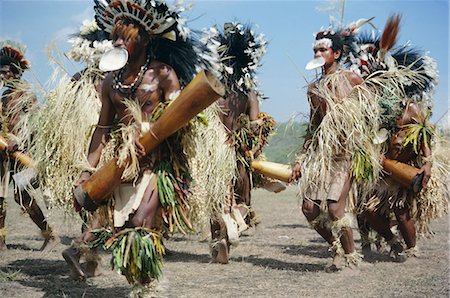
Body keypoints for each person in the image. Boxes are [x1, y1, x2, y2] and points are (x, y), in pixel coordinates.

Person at [63, 0, 212, 292]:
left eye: (125, 36)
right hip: (122, 163)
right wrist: (87, 171)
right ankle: (143, 286)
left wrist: (149, 132)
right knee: (121, 229)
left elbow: (182, 119)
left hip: (156, 163)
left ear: (143, 38)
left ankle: (146, 289)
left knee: (141, 225)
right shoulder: (110, 81)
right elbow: (102, 130)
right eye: (115, 36)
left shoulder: (163, 74)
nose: (118, 41)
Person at [290, 29, 364, 272]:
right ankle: (337, 248)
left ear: (337, 53)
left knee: (334, 209)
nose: (318, 53)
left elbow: (370, 115)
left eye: (323, 50)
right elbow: (313, 127)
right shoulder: (314, 88)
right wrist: (301, 159)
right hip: (322, 154)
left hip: (346, 153)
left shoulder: (352, 80)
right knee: (309, 209)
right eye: (315, 50)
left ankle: (350, 255)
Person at [206, 22, 276, 264]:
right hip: (238, 155)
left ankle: (220, 240)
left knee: (216, 199)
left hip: (215, 154)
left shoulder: (211, 90)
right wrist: (253, 152)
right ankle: (232, 225)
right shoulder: (249, 93)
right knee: (242, 201)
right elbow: (257, 128)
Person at [0, 40, 59, 252]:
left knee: (21, 196)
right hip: (6, 154)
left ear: (15, 72)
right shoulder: (5, 95)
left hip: (24, 154)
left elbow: (35, 122)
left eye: (5, 71)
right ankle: (1, 242)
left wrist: (19, 141)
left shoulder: (26, 92)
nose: (2, 75)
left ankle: (50, 236)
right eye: (0, 71)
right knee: (4, 197)